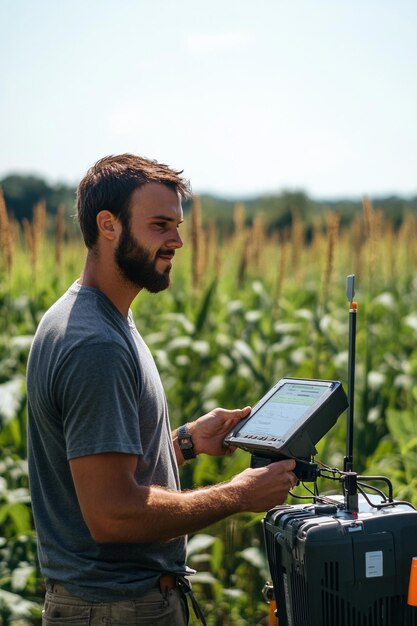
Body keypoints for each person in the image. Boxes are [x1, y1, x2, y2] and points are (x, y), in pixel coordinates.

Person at [26, 153, 297, 626]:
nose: (177, 240)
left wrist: (186, 443)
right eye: (159, 225)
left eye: (176, 224)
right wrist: (238, 494)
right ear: (107, 225)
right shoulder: (96, 344)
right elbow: (112, 514)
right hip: (115, 610)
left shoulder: (101, 318)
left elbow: (100, 473)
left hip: (113, 606)